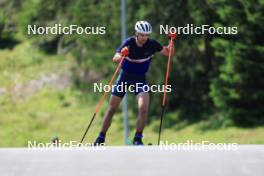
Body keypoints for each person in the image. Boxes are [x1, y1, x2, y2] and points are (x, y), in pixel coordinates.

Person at [94, 20, 174, 145]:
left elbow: (168, 53)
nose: (144, 37)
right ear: (137, 33)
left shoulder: (152, 44)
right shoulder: (129, 43)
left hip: (140, 79)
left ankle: (137, 138)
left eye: (147, 35)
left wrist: (171, 40)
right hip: (124, 77)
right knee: (111, 109)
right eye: (142, 34)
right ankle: (100, 138)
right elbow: (115, 58)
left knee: (143, 108)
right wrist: (122, 55)